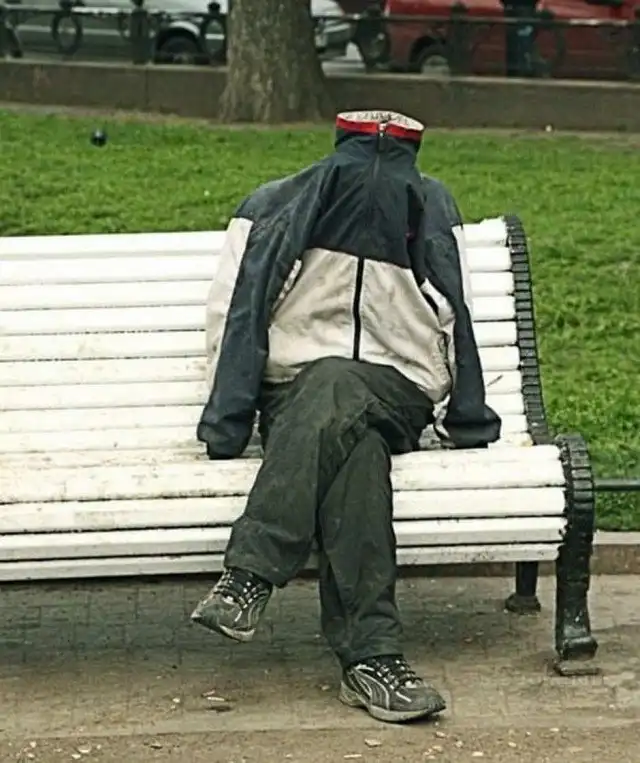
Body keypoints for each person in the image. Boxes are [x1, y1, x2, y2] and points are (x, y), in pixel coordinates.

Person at [191, 110, 501, 724]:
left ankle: (251, 573)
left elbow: (455, 316)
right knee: (357, 455)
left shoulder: (430, 207)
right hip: (298, 399)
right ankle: (373, 661)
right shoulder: (278, 204)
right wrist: (228, 420)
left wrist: (464, 418)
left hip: (397, 391)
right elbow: (237, 312)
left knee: (338, 381)